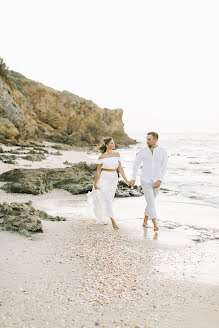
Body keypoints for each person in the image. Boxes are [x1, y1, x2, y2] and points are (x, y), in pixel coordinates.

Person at [88, 137, 130, 230]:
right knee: (106, 198)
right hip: (104, 177)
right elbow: (98, 171)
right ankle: (113, 221)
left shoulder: (117, 154)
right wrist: (95, 183)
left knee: (109, 199)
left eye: (113, 143)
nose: (113, 144)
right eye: (111, 143)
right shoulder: (101, 157)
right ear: (107, 145)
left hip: (113, 178)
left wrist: (126, 180)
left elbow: (120, 168)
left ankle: (104, 215)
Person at [130, 132, 168, 231]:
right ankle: (155, 224)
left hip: (156, 181)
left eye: (149, 139)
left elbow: (164, 167)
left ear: (155, 140)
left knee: (150, 202)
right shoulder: (142, 151)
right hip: (145, 180)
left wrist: (160, 180)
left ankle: (145, 221)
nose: (147, 141)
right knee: (151, 201)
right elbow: (136, 165)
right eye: (147, 139)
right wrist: (133, 178)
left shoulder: (162, 151)